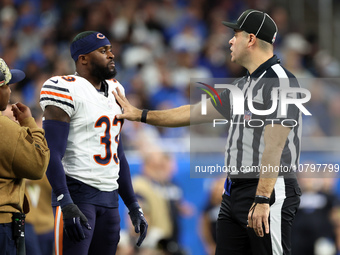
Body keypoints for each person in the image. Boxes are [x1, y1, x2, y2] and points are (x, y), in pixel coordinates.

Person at [113, 9, 302, 255]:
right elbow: (193, 113)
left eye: (236, 34)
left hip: (267, 190)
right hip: (234, 191)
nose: (230, 40)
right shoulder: (244, 85)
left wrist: (263, 199)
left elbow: (274, 146)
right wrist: (141, 114)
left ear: (252, 39)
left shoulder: (279, 81)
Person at [39, 31, 148, 255]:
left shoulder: (117, 90)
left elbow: (118, 152)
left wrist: (133, 205)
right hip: (77, 195)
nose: (111, 55)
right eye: (103, 50)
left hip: (109, 200)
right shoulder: (63, 87)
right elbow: (52, 152)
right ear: (83, 58)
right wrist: (64, 200)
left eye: (110, 49)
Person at [0, 58, 50, 255]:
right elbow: (38, 165)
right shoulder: (5, 128)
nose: (10, 91)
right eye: (7, 85)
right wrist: (30, 124)